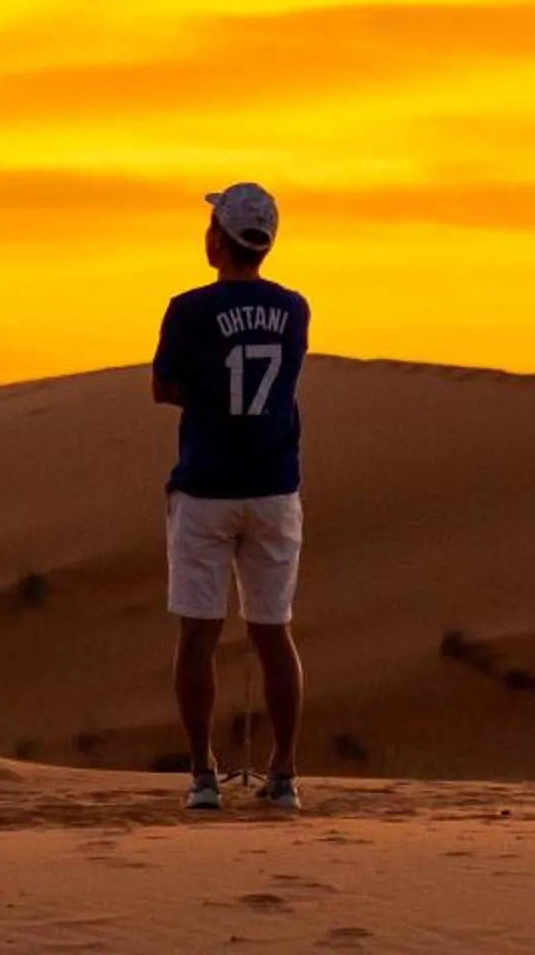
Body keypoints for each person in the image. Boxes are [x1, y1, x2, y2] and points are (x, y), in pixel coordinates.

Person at [152, 181, 310, 812]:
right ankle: (285, 774)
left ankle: (201, 776)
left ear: (219, 236)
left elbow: (164, 388)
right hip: (274, 487)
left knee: (199, 634)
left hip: (208, 485)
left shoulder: (187, 309)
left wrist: (209, 397)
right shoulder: (295, 308)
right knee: (274, 633)